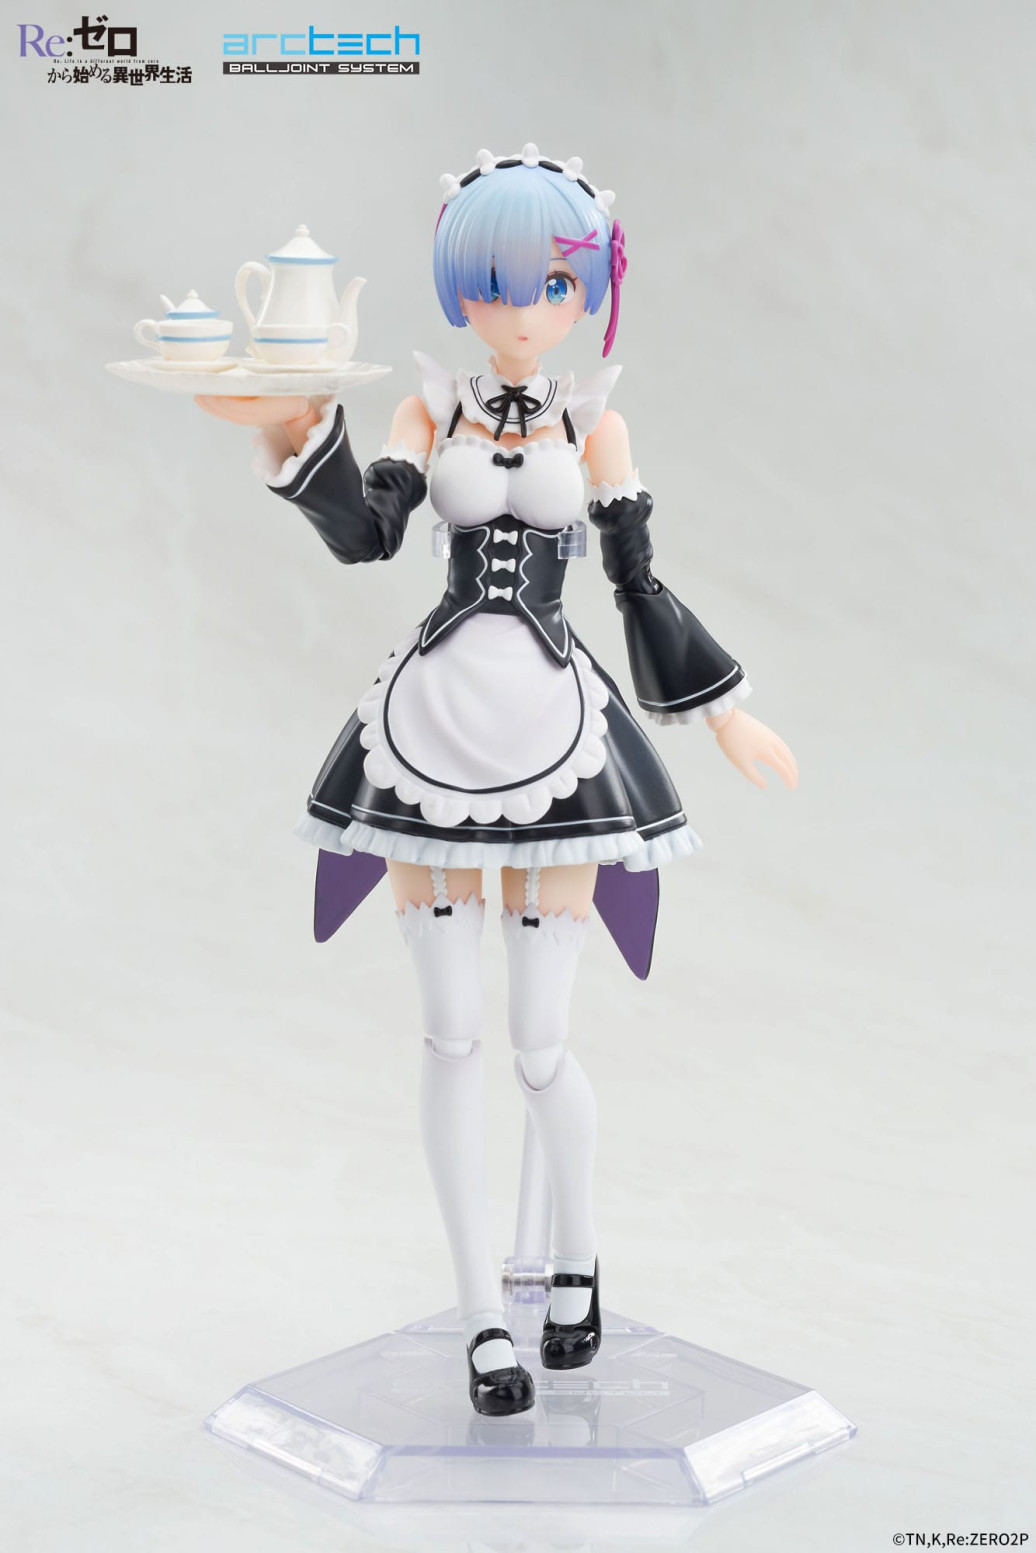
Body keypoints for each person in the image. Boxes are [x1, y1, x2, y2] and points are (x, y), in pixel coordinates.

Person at [195, 144, 798, 1417]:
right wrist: (294, 439)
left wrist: (724, 711)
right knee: (449, 1034)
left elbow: (635, 580)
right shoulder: (429, 413)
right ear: (459, 288)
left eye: (552, 286)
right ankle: (480, 1312)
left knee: (537, 1041)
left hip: (554, 732)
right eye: (494, 284)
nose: (522, 312)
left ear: (586, 293)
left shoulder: (594, 422)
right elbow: (370, 534)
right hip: (431, 727)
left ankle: (575, 1251)